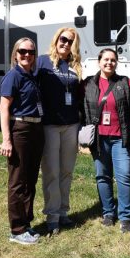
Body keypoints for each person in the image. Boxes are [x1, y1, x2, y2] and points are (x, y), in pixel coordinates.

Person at [83, 48, 130, 233]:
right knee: (102, 176)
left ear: (117, 63)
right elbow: (81, 110)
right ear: (99, 61)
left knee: (124, 176)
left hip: (120, 139)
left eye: (113, 60)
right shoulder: (88, 84)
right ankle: (108, 213)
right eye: (106, 59)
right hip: (98, 139)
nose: (109, 63)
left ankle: (125, 217)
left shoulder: (126, 83)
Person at [37, 27, 83, 235]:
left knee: (67, 171)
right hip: (50, 125)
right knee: (51, 172)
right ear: (56, 40)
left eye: (71, 41)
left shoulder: (76, 66)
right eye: (63, 39)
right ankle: (52, 216)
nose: (66, 43)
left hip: (71, 125)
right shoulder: (43, 62)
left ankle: (64, 212)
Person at [0, 38, 45, 245]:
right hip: (21, 130)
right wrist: (6, 140)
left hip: (36, 128)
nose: (27, 55)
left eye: (31, 52)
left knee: (31, 179)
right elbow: (4, 109)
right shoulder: (13, 76)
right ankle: (16, 230)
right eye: (23, 51)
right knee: (17, 181)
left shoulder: (31, 76)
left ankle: (26, 224)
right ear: (15, 54)